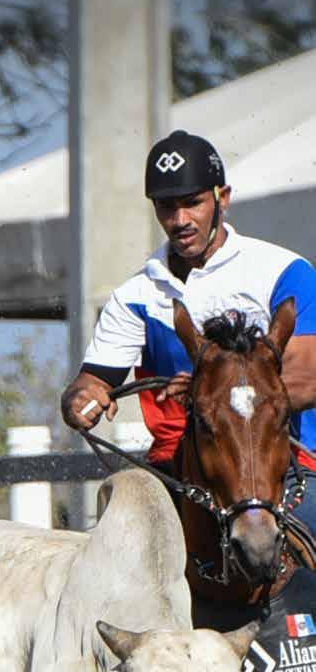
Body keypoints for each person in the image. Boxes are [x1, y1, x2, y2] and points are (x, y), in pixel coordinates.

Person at [60, 129, 316, 523]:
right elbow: (94, 379)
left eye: (192, 203)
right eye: (166, 207)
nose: (179, 220)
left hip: (286, 463)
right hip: (180, 474)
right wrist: (78, 400)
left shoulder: (285, 272)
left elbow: (304, 378)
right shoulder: (134, 295)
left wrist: (203, 390)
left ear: (222, 198)